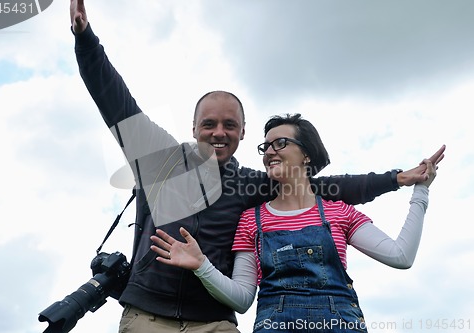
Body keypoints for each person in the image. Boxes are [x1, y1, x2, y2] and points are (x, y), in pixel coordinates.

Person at [69, 1, 446, 332]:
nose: (218, 133)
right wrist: (86, 41)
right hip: (147, 317)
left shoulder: (252, 185)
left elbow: (326, 188)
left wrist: (398, 179)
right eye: (209, 124)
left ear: (242, 132)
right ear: (194, 128)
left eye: (229, 125)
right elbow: (115, 101)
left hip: (215, 322)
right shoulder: (159, 160)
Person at [151, 113, 443, 333]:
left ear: (306, 153)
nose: (269, 152)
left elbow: (401, 256)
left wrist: (421, 192)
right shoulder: (251, 221)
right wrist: (202, 265)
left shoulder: (338, 212)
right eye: (265, 147)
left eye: (280, 143)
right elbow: (241, 299)